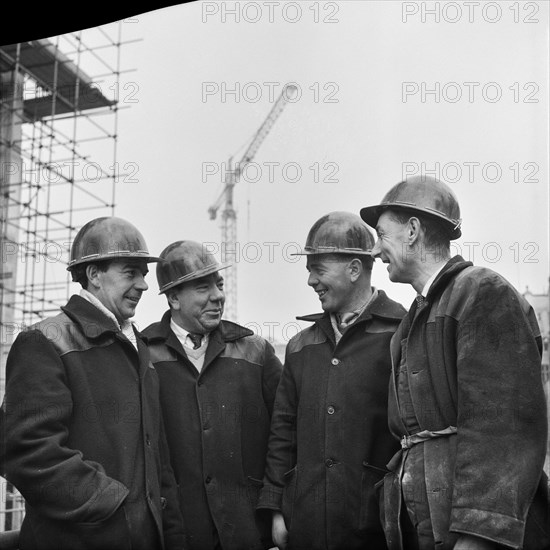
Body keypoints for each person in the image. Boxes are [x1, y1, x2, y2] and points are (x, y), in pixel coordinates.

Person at [360, 175, 549, 550]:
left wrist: (479, 535)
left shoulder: (481, 292)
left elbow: (503, 428)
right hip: (429, 525)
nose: (376, 251)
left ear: (412, 231)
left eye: (382, 235)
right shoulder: (411, 322)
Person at [0, 217, 185, 550]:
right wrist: (113, 506)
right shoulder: (45, 341)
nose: (143, 285)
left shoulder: (138, 348)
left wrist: (171, 535)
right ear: (93, 274)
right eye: (130, 272)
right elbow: (27, 452)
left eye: (143, 274)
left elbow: (159, 460)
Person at [257, 211, 407, 550]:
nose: (310, 281)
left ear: (354, 269)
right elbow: (283, 431)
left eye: (318, 269)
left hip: (376, 528)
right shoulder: (300, 346)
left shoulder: (402, 334)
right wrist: (276, 507)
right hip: (305, 524)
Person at [142, 240, 283, 550]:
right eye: (204, 287)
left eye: (218, 285)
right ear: (174, 298)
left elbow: (285, 434)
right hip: (178, 533)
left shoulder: (256, 351)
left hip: (248, 530)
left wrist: (275, 505)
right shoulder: (143, 355)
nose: (218, 295)